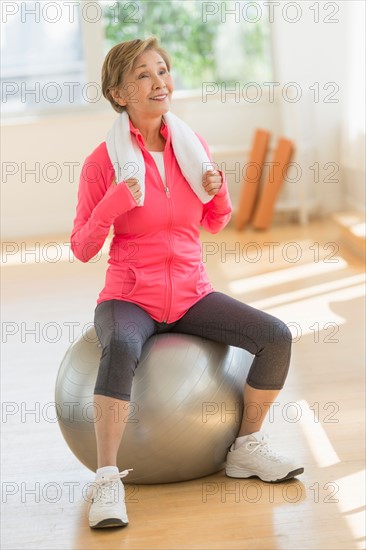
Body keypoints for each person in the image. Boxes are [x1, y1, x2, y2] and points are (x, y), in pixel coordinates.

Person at [70, 36, 304, 529]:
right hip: (129, 296)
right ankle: (107, 479)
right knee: (121, 351)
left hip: (192, 293)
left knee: (276, 336)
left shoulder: (191, 149)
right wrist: (111, 205)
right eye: (143, 75)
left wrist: (217, 191)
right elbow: (82, 246)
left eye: (163, 70)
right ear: (119, 93)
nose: (160, 82)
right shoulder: (101, 162)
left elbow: (214, 223)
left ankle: (245, 447)